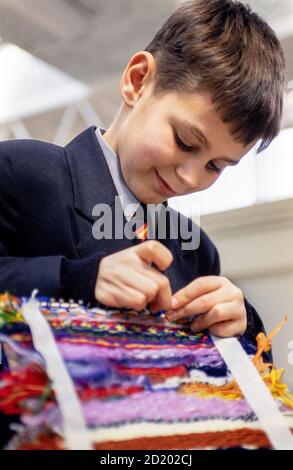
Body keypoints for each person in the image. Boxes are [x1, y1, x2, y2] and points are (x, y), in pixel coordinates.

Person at [0, 0, 286, 343]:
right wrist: (76, 280)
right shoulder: (21, 173)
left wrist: (244, 327)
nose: (191, 178)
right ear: (137, 81)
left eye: (216, 166)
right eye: (184, 141)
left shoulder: (197, 253)